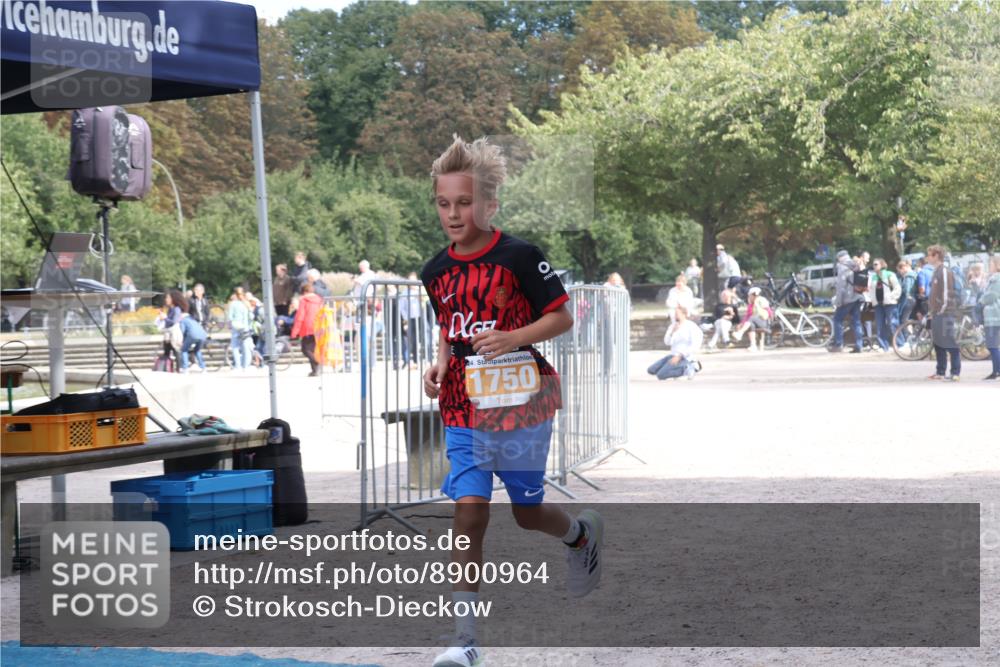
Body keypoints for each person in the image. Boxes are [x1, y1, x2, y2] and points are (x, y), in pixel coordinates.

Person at [420, 136, 601, 667]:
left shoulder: (520, 256)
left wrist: (513, 337)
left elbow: (562, 317)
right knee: (469, 513)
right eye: (444, 203)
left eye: (465, 202)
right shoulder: (434, 271)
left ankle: (580, 536)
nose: (454, 214)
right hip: (464, 406)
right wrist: (441, 363)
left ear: (490, 205)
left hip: (523, 402)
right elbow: (448, 326)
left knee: (525, 513)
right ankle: (465, 641)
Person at [926, 245, 961, 381]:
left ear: (936, 256)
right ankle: (940, 371)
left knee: (949, 342)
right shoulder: (936, 271)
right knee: (938, 343)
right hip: (936, 313)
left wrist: (941, 310)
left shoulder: (944, 271)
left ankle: (955, 372)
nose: (927, 257)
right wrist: (931, 312)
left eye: (929, 255)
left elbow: (947, 293)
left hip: (945, 313)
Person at [648, 305, 703, 379]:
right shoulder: (673, 326)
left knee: (661, 375)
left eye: (677, 314)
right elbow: (667, 342)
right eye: (675, 314)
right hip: (672, 355)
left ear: (684, 314)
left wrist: (680, 356)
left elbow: (695, 345)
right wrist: (672, 332)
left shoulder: (691, 326)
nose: (675, 316)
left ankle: (688, 368)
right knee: (651, 370)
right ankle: (676, 368)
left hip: (684, 357)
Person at [829, 250, 864, 353]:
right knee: (856, 321)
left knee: (837, 319)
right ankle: (859, 345)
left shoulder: (842, 267)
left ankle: (838, 344)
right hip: (858, 296)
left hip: (848, 299)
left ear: (840, 258)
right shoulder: (856, 265)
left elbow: (841, 287)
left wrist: (838, 302)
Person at [867, 258, 902, 352]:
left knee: (892, 323)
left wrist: (891, 297)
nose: (874, 266)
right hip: (878, 304)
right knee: (880, 325)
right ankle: (883, 346)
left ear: (882, 265)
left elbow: (897, 288)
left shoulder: (889, 274)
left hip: (889, 303)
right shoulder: (873, 277)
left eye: (876, 264)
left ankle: (900, 343)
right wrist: (872, 300)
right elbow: (871, 290)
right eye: (873, 264)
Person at [291, 283, 323, 376]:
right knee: (312, 349)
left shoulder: (304, 300)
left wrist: (294, 332)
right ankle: (315, 370)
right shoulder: (319, 300)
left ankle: (317, 362)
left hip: (307, 327)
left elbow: (300, 317)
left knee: (305, 350)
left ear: (304, 292)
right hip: (319, 326)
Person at [731, 286, 772, 352]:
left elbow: (768, 312)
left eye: (750, 295)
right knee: (751, 324)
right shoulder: (751, 304)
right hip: (754, 321)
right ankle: (753, 346)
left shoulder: (762, 300)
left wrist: (770, 317)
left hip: (764, 321)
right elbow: (747, 315)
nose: (749, 297)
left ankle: (740, 333)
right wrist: (741, 324)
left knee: (751, 319)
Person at [979, 255, 1000, 380]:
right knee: (992, 345)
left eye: (991, 264)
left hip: (994, 316)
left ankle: (997, 370)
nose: (989, 266)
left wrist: (981, 300)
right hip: (994, 315)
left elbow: (991, 296)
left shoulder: (996, 279)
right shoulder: (993, 279)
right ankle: (995, 371)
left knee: (992, 344)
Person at [399, 273, 423, 369]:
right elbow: (402, 308)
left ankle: (420, 360)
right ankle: (410, 361)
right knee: (411, 340)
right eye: (410, 280)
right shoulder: (405, 293)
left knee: (421, 338)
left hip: (420, 317)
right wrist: (406, 320)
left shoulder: (421, 290)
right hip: (410, 319)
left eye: (414, 280)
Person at [227, 287, 255, 371]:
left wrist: (230, 326)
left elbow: (230, 317)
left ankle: (238, 366)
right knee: (246, 347)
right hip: (245, 328)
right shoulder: (246, 303)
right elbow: (251, 317)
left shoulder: (233, 304)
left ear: (235, 294)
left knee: (235, 347)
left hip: (236, 327)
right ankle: (246, 366)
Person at [178, 308, 208, 373]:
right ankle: (203, 368)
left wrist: (182, 341)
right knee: (197, 350)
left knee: (184, 350)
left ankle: (185, 368)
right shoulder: (193, 320)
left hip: (192, 335)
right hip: (203, 335)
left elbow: (182, 331)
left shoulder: (183, 321)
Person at [896, 259, 918, 329]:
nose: (900, 271)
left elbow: (906, 289)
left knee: (904, 320)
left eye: (901, 269)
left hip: (907, 299)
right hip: (913, 298)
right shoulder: (915, 274)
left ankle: (907, 335)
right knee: (907, 318)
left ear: (905, 267)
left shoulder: (908, 276)